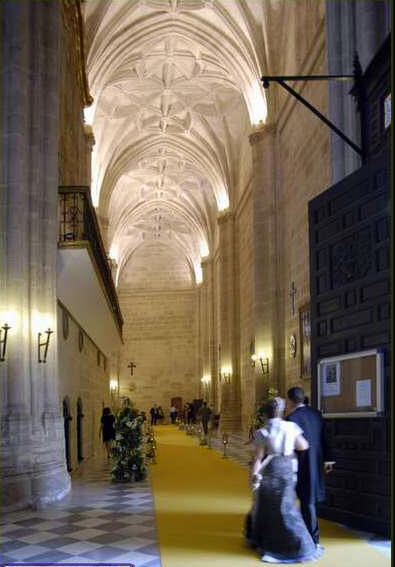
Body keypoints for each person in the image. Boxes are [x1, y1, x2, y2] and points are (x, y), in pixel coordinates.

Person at [246, 397, 323, 563]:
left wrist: (254, 476)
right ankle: (299, 543)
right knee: (286, 507)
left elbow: (259, 457)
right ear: (281, 411)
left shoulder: (263, 431)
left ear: (265, 414)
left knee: (269, 506)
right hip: (287, 467)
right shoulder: (291, 426)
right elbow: (303, 445)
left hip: (272, 468)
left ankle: (274, 542)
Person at [287, 386, 334, 546]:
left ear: (290, 401)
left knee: (306, 500)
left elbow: (290, 446)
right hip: (317, 460)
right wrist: (328, 459)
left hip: (301, 463)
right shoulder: (316, 414)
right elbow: (324, 437)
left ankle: (312, 538)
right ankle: (309, 534)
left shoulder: (291, 419)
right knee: (310, 499)